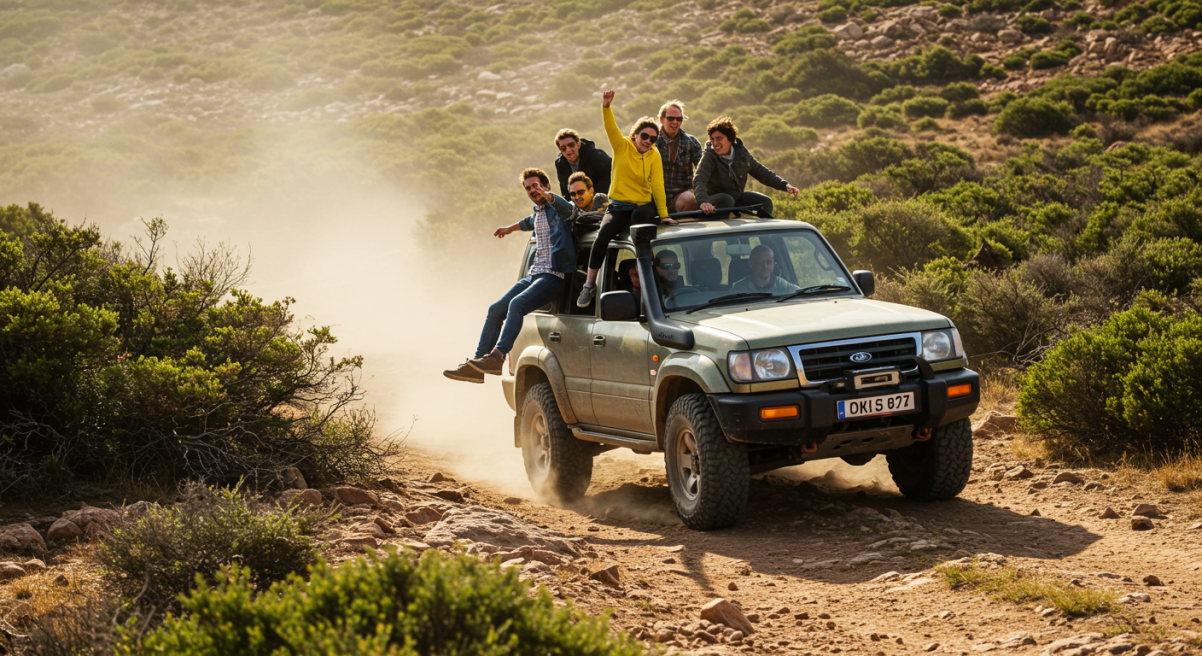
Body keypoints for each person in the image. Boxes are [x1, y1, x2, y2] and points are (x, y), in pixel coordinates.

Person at [444, 168, 575, 383]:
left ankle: (497, 356)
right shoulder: (539, 213)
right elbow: (528, 222)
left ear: (547, 186)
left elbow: (566, 208)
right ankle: (477, 366)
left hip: (553, 276)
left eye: (536, 186)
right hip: (534, 274)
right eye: (528, 188)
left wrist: (548, 196)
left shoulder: (560, 210)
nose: (533, 190)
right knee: (495, 309)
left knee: (517, 304)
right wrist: (509, 228)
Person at [577, 90, 674, 308]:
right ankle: (589, 285)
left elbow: (658, 186)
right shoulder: (622, 147)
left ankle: (654, 280)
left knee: (641, 219)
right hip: (618, 207)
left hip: (642, 205)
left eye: (653, 138)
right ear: (635, 135)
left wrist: (665, 215)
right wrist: (606, 107)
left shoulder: (654, 155)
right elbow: (610, 127)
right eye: (645, 137)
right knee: (602, 235)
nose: (649, 141)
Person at [694, 116, 800, 219]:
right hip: (716, 200)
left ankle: (764, 234)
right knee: (726, 199)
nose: (715, 143)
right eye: (712, 139)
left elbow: (763, 173)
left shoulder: (741, 153)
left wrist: (785, 185)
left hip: (736, 197)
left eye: (719, 138)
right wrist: (703, 202)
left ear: (730, 139)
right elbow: (699, 179)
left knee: (765, 202)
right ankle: (726, 230)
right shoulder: (709, 155)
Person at [655, 100, 703, 213]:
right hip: (655, 196)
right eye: (670, 118)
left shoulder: (691, 142)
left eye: (679, 119)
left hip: (681, 197)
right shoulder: (651, 141)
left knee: (690, 198)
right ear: (662, 120)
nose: (675, 122)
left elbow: (703, 169)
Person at [554, 128, 612, 200]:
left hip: (607, 197)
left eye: (571, 145)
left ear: (578, 145)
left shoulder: (595, 155)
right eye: (563, 148)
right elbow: (566, 192)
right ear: (560, 150)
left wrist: (593, 197)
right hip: (579, 202)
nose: (568, 150)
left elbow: (611, 175)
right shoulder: (560, 165)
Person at [729, 245, 800, 294]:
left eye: (769, 262)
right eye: (761, 262)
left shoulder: (781, 284)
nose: (765, 266)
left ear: (773, 264)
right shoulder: (739, 288)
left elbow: (800, 293)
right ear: (751, 264)